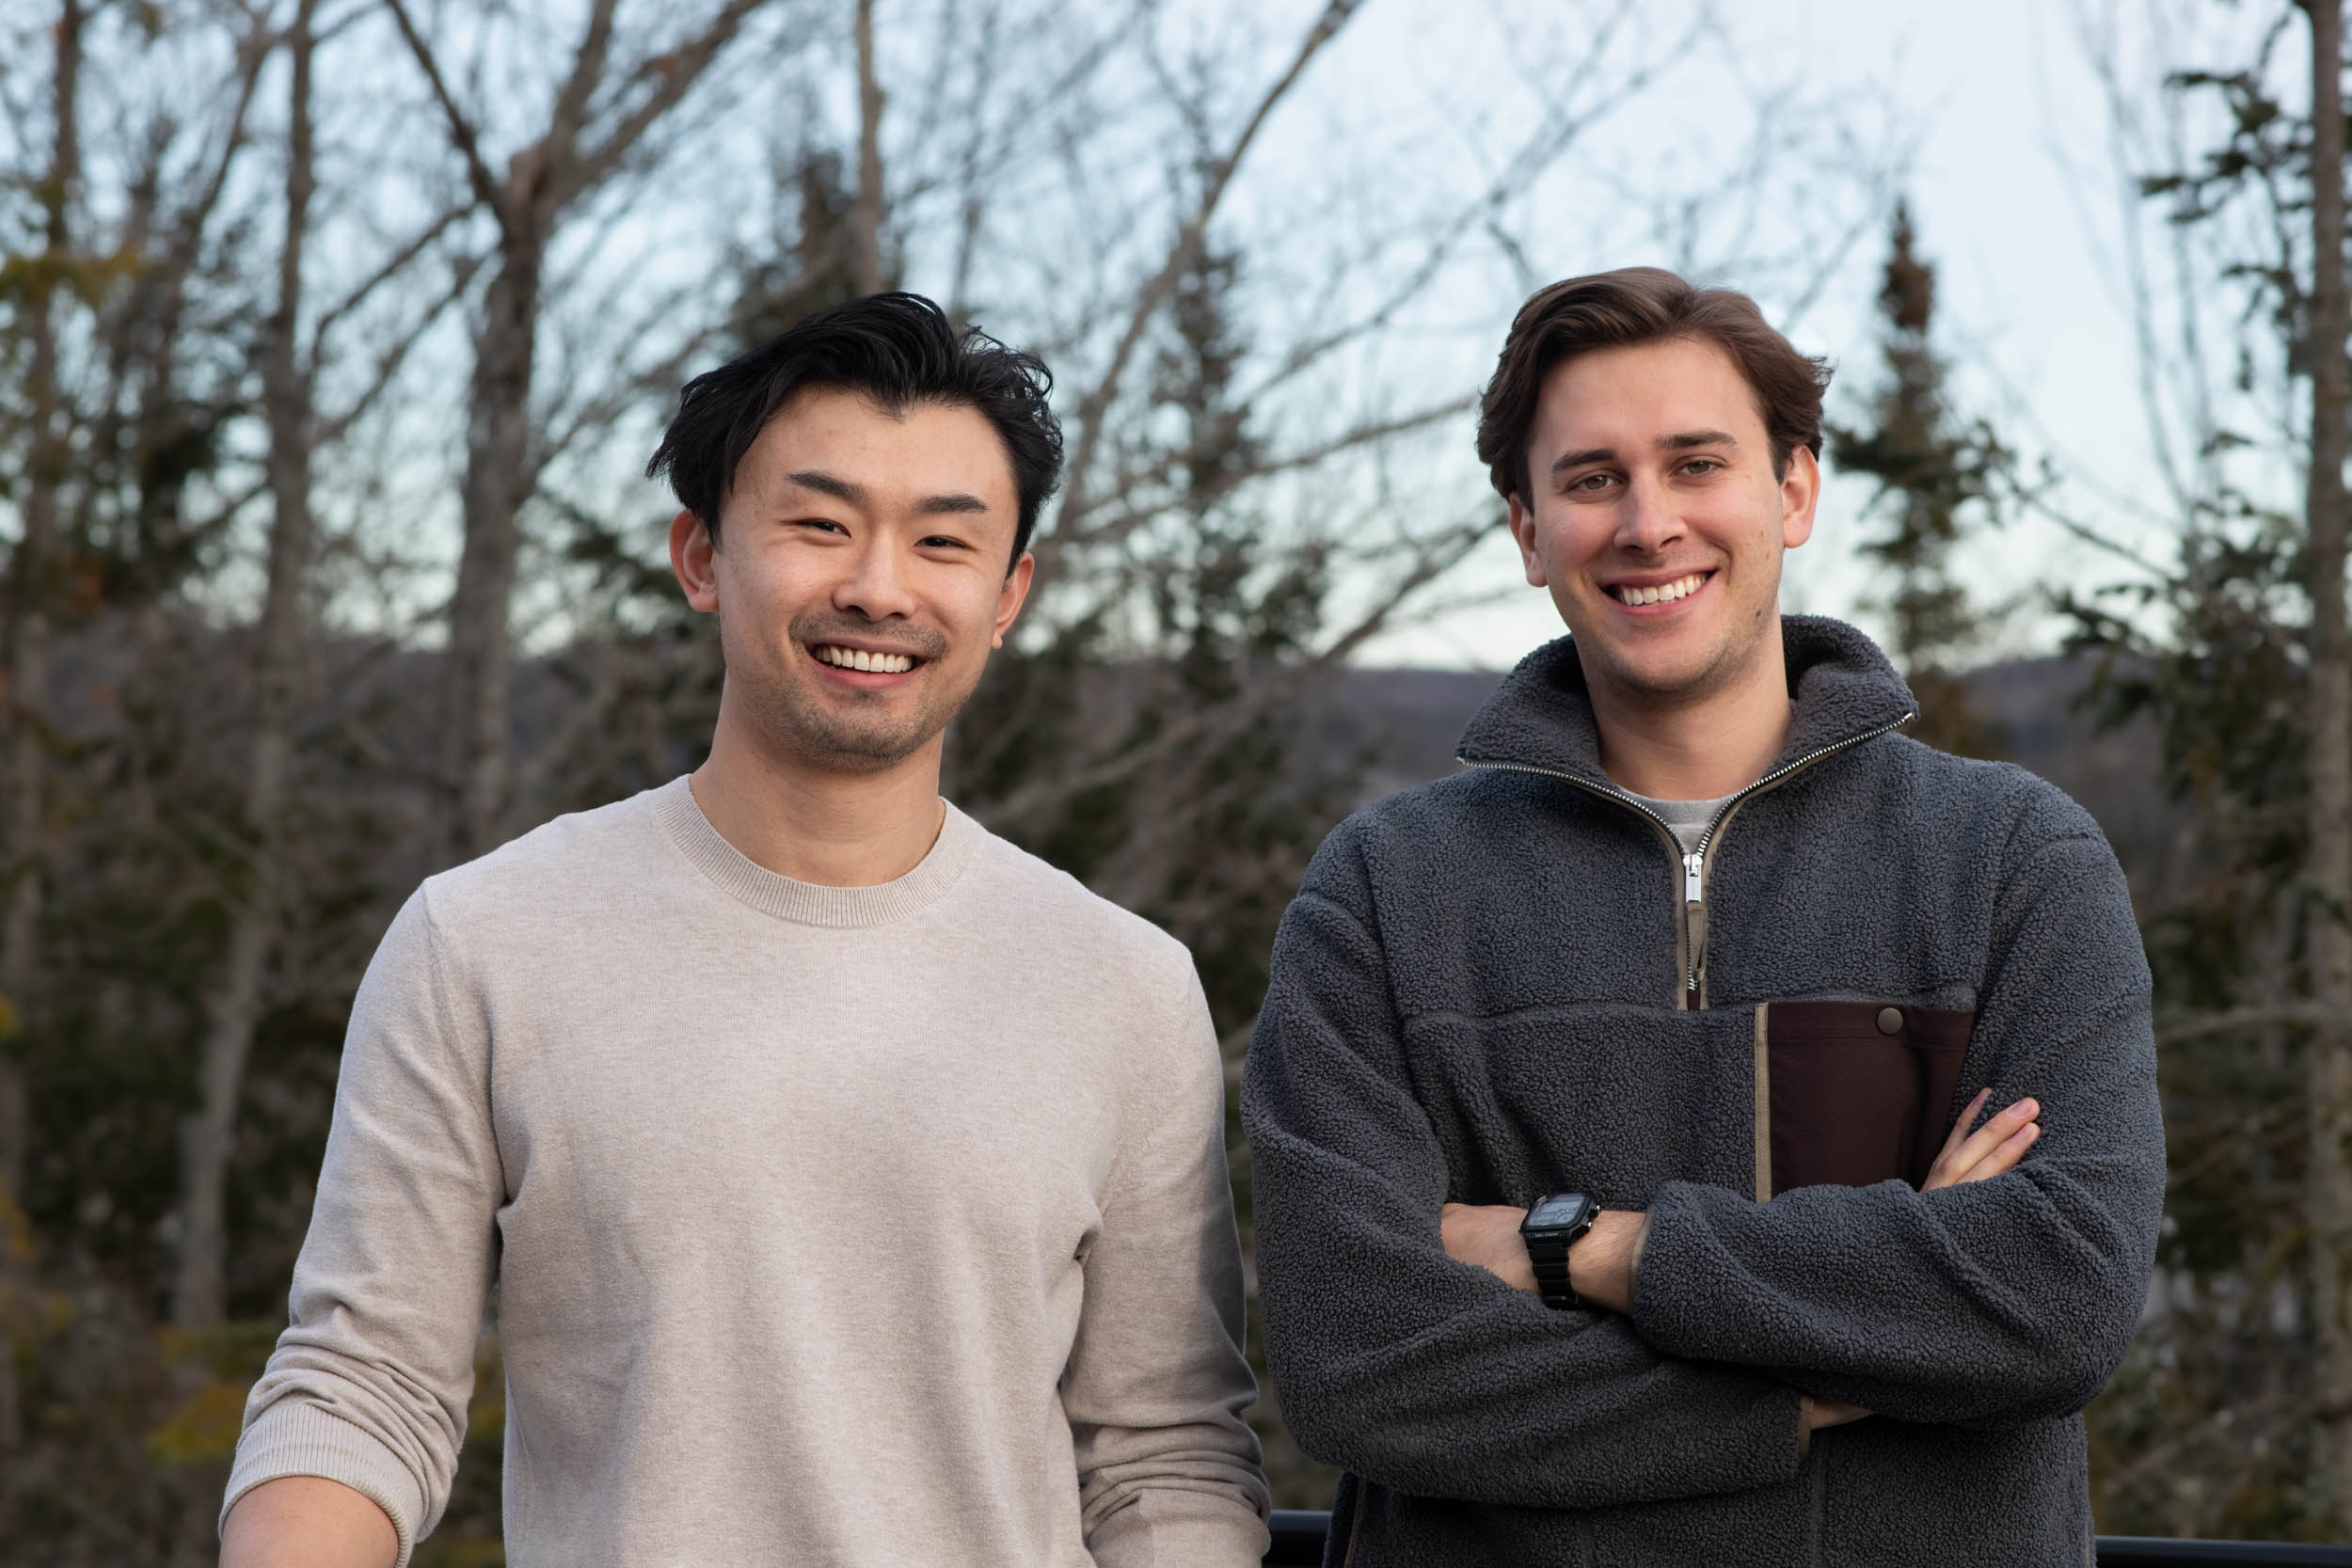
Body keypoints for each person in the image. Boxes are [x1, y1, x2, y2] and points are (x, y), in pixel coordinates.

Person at [219, 293, 1269, 1568]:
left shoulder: (1127, 989)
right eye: (820, 525)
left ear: (1008, 595)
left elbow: (1165, 1456)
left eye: (944, 543)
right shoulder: (484, 941)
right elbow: (364, 1384)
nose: (878, 589)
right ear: (704, 556)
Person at [1242, 267, 2163, 1565]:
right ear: (1526, 529)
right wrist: (1827, 1381)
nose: (1647, 522)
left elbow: (2056, 1295)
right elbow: (1356, 1358)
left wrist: (1587, 1251)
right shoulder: (1387, 892)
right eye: (1591, 479)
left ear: (1793, 490)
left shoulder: (2009, 859)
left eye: (1696, 464)